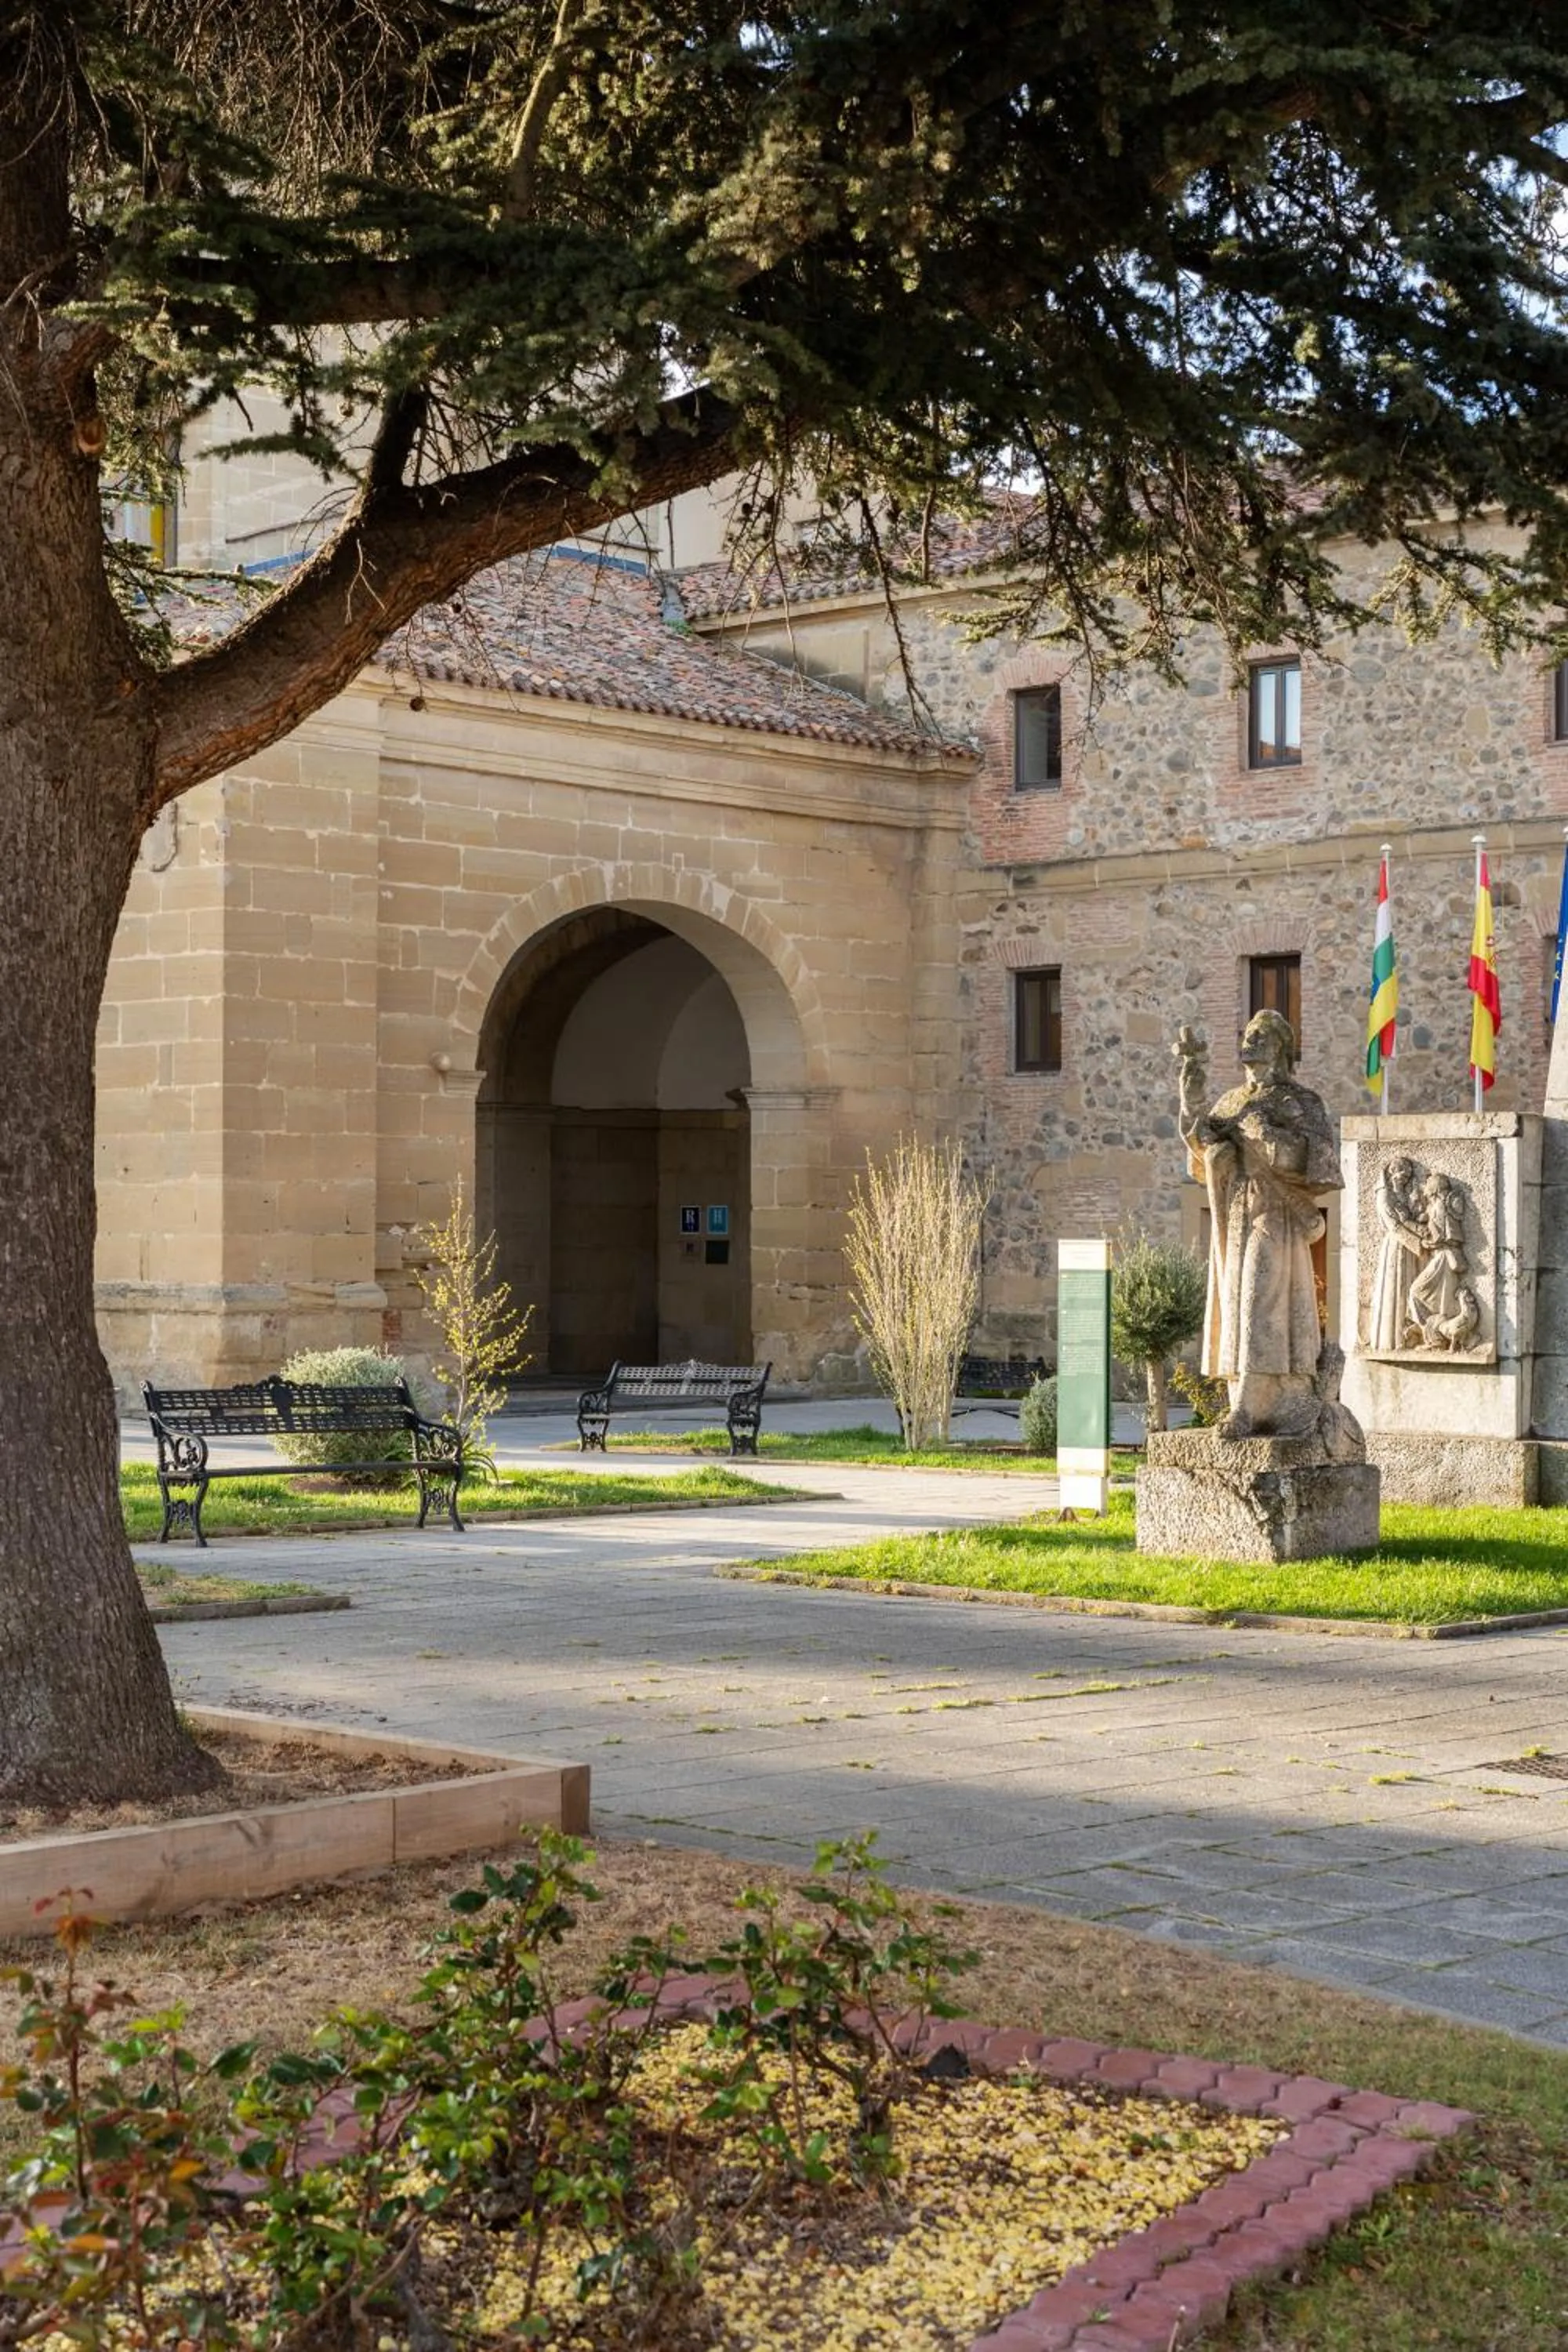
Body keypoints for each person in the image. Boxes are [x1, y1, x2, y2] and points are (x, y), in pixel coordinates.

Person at [1174, 1010, 1341, 1439]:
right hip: (1234, 1210)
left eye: (1261, 1035)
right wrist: (1191, 1102)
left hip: (1277, 1212)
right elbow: (1200, 1152)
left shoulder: (1300, 1102)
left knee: (1257, 1296)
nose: (1251, 1041)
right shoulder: (1230, 1102)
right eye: (1248, 1034)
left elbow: (1320, 1161)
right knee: (1234, 1300)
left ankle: (1253, 1404)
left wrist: (1267, 1136)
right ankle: (1243, 1400)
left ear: (1281, 1048)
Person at [1367, 1154, 1425, 1354]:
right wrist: (1418, 1239)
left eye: (1408, 1174)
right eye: (1402, 1172)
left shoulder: (1404, 1194)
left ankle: (1410, 1331)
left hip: (1409, 1248)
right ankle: (1391, 1340)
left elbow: (1410, 1216)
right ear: (1392, 1172)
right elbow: (1393, 1224)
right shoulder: (1384, 1195)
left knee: (1410, 1285)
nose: (1405, 1177)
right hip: (1397, 1244)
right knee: (1395, 1286)